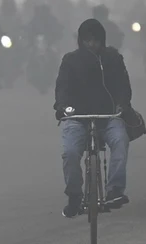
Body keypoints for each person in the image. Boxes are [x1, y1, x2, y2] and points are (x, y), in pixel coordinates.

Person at [54, 19, 132, 218]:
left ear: (102, 41)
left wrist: (122, 105)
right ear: (81, 41)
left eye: (96, 40)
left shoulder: (113, 59)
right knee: (70, 153)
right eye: (88, 40)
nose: (92, 44)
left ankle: (115, 191)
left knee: (121, 142)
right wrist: (63, 108)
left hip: (108, 117)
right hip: (77, 118)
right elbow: (61, 90)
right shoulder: (70, 60)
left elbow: (124, 87)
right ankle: (74, 196)